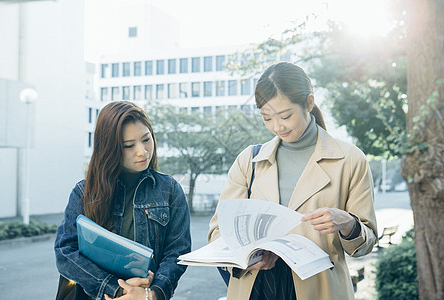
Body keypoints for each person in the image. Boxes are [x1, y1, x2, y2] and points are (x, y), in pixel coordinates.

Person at [208, 62, 377, 300]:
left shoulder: (349, 159)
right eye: (267, 118)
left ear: (309, 103)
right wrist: (249, 256)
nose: (277, 127)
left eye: (286, 116)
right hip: (256, 287)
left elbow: (366, 242)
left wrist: (348, 223)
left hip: (319, 289)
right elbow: (218, 230)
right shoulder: (250, 160)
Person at [55, 101, 191, 300]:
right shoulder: (84, 192)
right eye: (129, 145)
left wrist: (151, 294)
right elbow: (65, 251)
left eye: (146, 139)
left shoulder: (169, 189)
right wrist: (115, 289)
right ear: (109, 148)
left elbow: (177, 252)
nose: (142, 151)